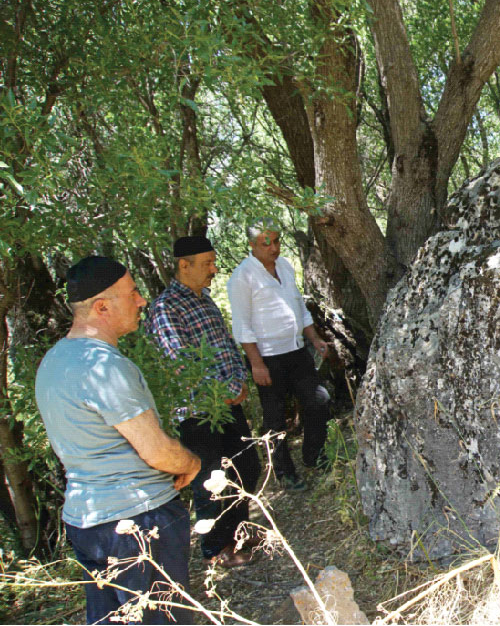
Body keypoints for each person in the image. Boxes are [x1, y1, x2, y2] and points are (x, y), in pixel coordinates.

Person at [35, 256, 201, 625]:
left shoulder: (53, 362)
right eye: (133, 293)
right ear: (102, 306)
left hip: (87, 522)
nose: (142, 301)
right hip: (136, 522)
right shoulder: (103, 366)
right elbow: (157, 451)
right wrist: (191, 464)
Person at [146, 236, 262, 568]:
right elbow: (178, 361)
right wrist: (220, 391)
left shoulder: (205, 299)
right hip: (198, 412)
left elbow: (227, 344)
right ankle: (215, 548)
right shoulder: (167, 306)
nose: (214, 269)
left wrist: (239, 381)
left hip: (229, 404)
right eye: (208, 263)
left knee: (246, 467)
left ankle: (238, 534)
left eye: (214, 262)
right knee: (211, 479)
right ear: (185, 265)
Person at [227, 222, 329, 491]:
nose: (273, 248)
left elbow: (298, 305)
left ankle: (313, 455)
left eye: (276, 241)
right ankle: (284, 472)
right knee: (275, 418)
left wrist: (314, 338)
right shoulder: (242, 277)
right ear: (252, 245)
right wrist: (256, 363)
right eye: (266, 243)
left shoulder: (283, 265)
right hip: (268, 358)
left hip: (296, 350)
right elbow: (242, 325)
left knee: (317, 400)